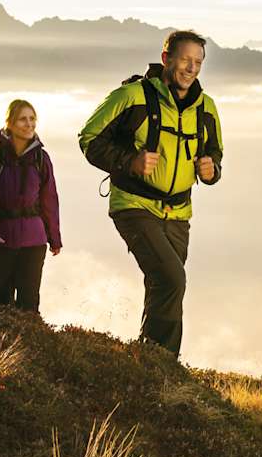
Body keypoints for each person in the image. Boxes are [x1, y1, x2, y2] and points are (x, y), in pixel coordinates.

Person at [78, 30, 224, 357]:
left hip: (178, 212)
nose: (191, 68)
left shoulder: (206, 108)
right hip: (133, 204)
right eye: (185, 60)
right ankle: (165, 365)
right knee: (172, 280)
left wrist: (211, 170)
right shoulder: (132, 96)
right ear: (166, 59)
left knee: (165, 287)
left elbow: (215, 153)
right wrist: (130, 161)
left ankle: (149, 360)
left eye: (198, 62)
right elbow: (89, 139)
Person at [0, 100, 62, 313]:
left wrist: (54, 237)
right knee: (0, 303)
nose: (29, 124)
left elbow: (50, 200)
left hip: (34, 241)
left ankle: (29, 345)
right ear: (10, 123)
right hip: (0, 240)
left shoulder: (41, 158)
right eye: (23, 119)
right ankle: (2, 345)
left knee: (29, 304)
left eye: (32, 119)